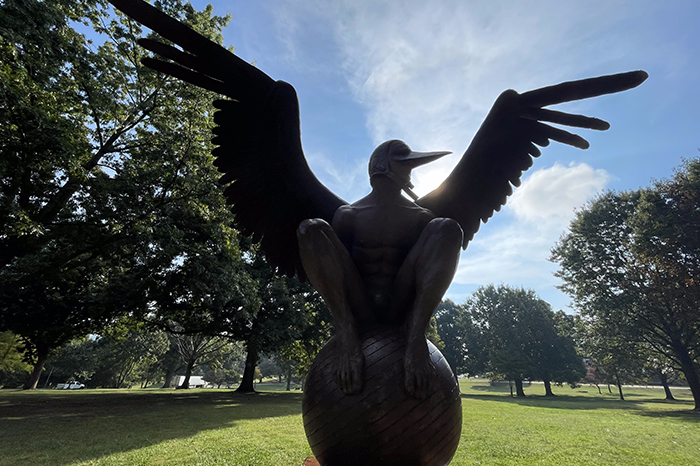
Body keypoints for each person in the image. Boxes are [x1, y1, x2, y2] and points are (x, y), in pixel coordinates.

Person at [297, 140, 462, 399]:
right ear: (382, 167)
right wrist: (347, 332)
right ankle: (346, 334)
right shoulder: (349, 215)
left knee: (447, 228)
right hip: (360, 307)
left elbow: (425, 269)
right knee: (311, 228)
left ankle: (416, 335)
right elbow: (335, 270)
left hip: (399, 306)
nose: (409, 172)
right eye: (403, 163)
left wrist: (416, 338)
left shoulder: (421, 218)